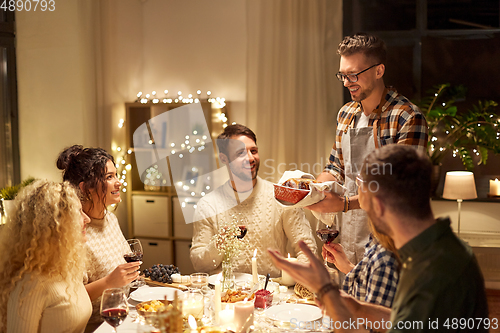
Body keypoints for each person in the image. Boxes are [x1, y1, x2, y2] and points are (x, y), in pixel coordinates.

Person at [269, 145, 489, 332]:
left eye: (361, 195)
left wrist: (326, 291)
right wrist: (357, 308)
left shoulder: (434, 273)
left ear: (379, 206)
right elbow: (403, 321)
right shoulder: (433, 246)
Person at [308, 33, 428, 264]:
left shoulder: (407, 117)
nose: (346, 83)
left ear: (379, 70)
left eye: (353, 75)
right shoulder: (346, 114)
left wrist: (344, 204)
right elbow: (336, 166)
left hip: (389, 238)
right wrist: (314, 189)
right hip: (346, 233)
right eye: (342, 75)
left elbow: (402, 190)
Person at [190, 124, 317, 278]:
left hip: (274, 295)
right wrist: (219, 243)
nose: (250, 158)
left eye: (253, 151)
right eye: (240, 153)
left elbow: (307, 249)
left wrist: (294, 283)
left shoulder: (282, 197)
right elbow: (198, 263)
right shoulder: (209, 204)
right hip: (227, 296)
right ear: (224, 158)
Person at [57, 145, 141, 332]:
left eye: (116, 175)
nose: (118, 182)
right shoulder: (74, 231)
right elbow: (68, 300)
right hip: (95, 327)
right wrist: (109, 283)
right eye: (109, 177)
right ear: (85, 188)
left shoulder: (111, 219)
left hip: (122, 317)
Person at [0, 180, 92, 332]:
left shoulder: (67, 266)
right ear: (55, 225)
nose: (87, 219)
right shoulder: (30, 285)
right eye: (78, 212)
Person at [322, 218, 399, 307]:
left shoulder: (384, 261)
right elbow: (366, 291)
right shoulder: (377, 244)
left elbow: (370, 318)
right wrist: (347, 267)